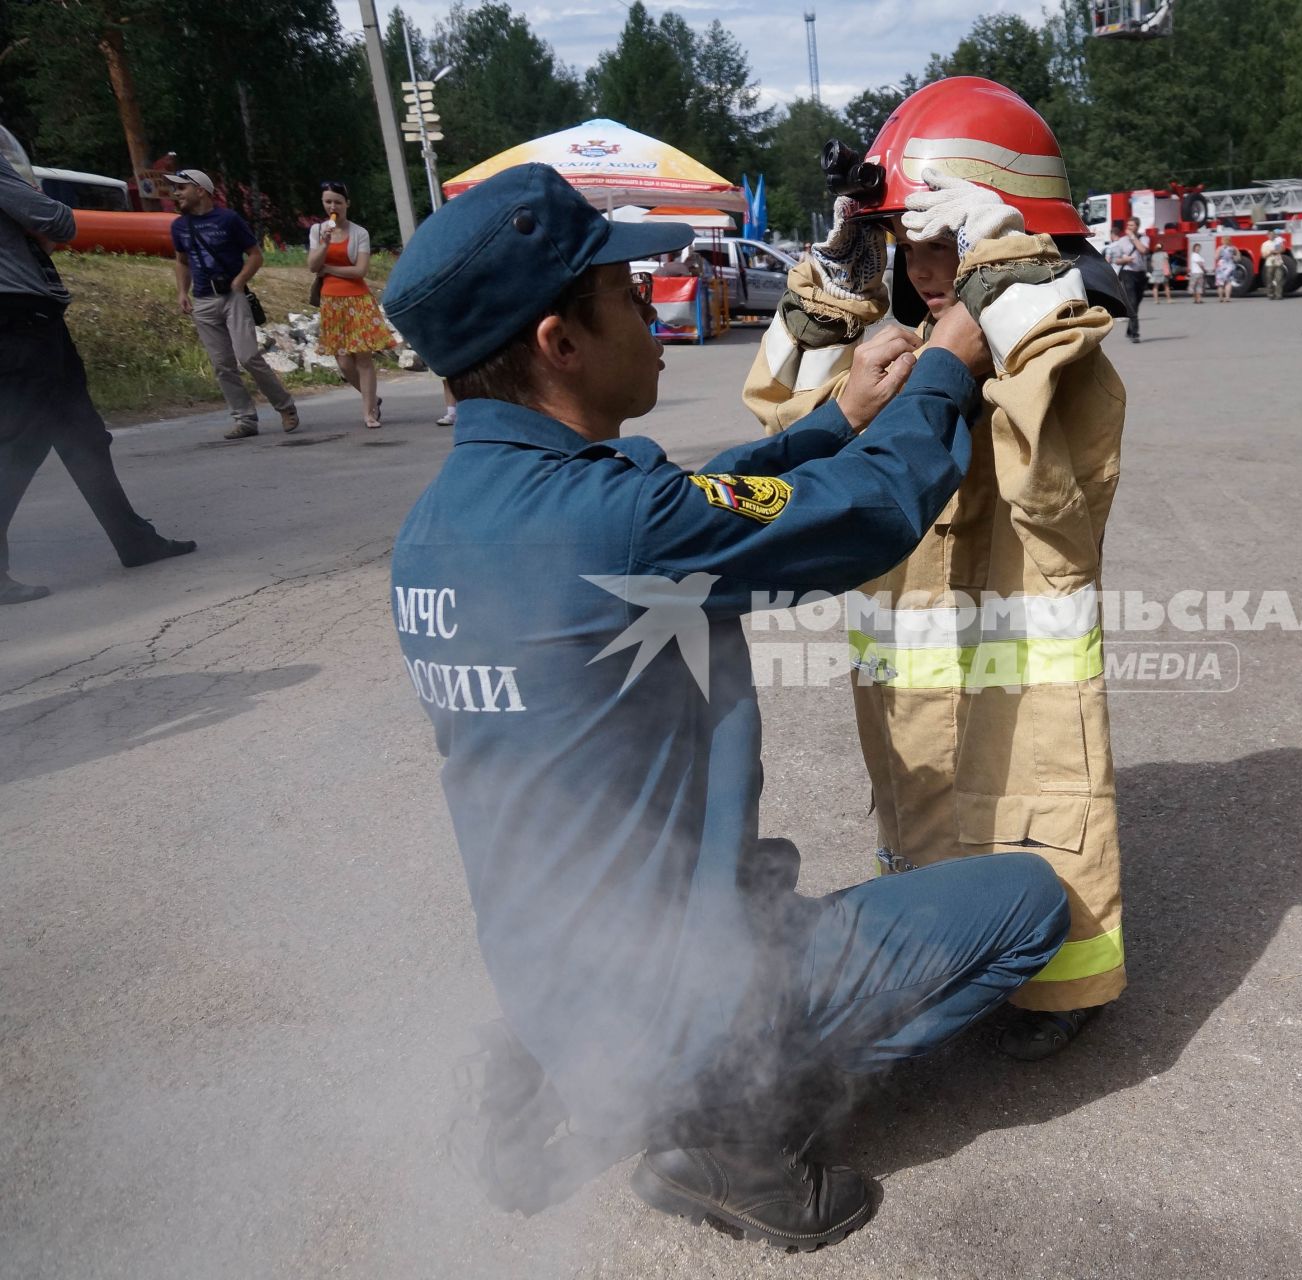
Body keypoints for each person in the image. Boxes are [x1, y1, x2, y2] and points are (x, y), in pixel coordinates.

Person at [381, 162, 1067, 1249]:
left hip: (549, 964)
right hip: (686, 991)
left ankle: (537, 1055)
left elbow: (689, 511)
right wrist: (946, 366)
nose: (658, 311)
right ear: (559, 341)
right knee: (1030, 904)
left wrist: (837, 413)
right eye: (626, 296)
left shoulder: (434, 534)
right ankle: (732, 1137)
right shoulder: (614, 527)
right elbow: (868, 512)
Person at [745, 76, 1131, 1062]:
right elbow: (785, 416)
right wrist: (832, 286)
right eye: (900, 241)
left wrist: (1003, 289)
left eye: (943, 242)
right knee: (924, 820)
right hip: (913, 694)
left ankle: (1066, 985)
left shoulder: (1061, 357)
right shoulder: (903, 354)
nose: (919, 268)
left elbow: (1053, 475)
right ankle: (950, 949)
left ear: (1001, 239)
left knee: (1038, 811)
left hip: (1021, 693)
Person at [0, 142, 194, 604]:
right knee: (19, 444)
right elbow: (59, 222)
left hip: (28, 318)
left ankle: (134, 540)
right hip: (18, 318)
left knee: (82, 435)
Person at [168, 169, 299, 440]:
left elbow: (255, 255)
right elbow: (181, 261)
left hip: (232, 296)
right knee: (222, 364)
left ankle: (285, 406)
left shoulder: (228, 219)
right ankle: (245, 419)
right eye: (175, 188)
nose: (176, 193)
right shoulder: (179, 226)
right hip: (203, 301)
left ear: (200, 190)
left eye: (182, 188)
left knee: (248, 355)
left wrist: (239, 281)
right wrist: (182, 291)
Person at [305, 181, 391, 430]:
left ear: (347, 204)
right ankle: (372, 398)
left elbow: (360, 270)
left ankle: (369, 412)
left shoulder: (359, 233)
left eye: (338, 202)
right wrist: (324, 244)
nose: (333, 207)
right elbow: (312, 266)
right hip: (331, 302)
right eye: (328, 202)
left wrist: (329, 269)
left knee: (363, 359)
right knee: (343, 362)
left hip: (357, 299)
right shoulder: (317, 231)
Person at [1104, 217, 1145, 341]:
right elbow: (1116, 260)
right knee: (1132, 302)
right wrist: (1125, 260)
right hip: (1127, 273)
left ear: (1137, 226)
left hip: (1141, 273)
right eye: (1128, 225)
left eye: (1132, 225)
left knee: (1136, 303)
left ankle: (1129, 329)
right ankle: (1134, 334)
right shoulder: (1121, 241)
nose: (1129, 227)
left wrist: (1133, 237)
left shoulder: (1144, 238)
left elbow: (1143, 250)